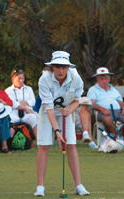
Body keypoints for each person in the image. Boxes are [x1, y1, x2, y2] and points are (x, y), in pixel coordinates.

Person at [34, 51, 90, 197]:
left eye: (64, 67)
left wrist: (70, 110)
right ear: (52, 67)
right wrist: (57, 132)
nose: (60, 70)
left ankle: (79, 185)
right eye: (57, 66)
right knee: (44, 145)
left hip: (65, 111)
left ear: (68, 67)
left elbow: (77, 100)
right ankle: (40, 187)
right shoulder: (44, 79)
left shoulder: (76, 78)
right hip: (46, 111)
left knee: (71, 145)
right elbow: (49, 107)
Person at [87, 67, 124, 144]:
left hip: (118, 111)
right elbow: (91, 104)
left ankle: (116, 137)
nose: (104, 81)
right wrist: (102, 109)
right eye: (102, 78)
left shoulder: (113, 89)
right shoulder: (93, 89)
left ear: (109, 79)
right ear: (97, 79)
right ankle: (119, 138)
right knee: (107, 120)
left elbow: (121, 102)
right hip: (103, 112)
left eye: (106, 78)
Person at [5, 69, 37, 140]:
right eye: (19, 79)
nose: (21, 81)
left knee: (34, 118)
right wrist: (25, 106)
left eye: (22, 78)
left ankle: (39, 142)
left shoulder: (29, 89)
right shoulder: (8, 91)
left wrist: (17, 103)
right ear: (13, 79)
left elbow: (33, 102)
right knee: (11, 120)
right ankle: (10, 142)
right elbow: (11, 103)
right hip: (14, 113)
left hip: (26, 114)